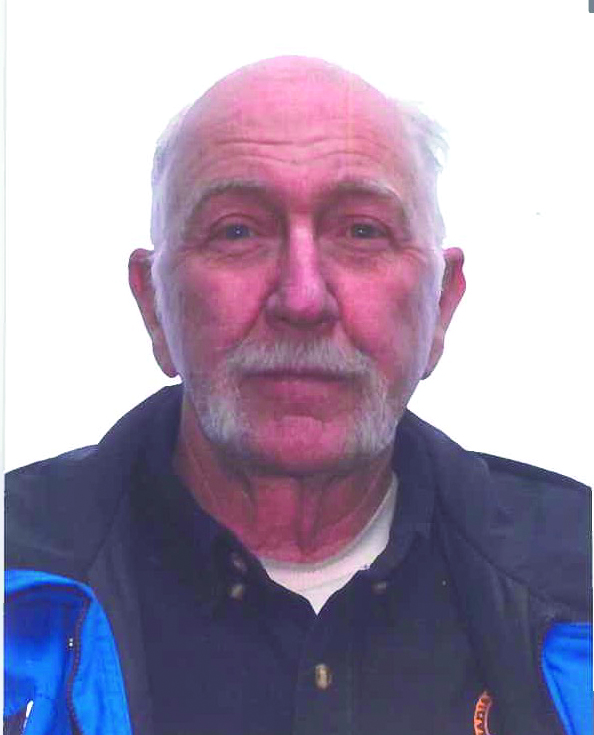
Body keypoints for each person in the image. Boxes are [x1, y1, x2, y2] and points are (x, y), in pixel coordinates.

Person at [4, 56, 591, 735]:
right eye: (237, 231)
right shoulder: (19, 572)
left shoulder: (577, 576)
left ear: (441, 305)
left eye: (362, 231)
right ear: (154, 306)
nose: (303, 298)